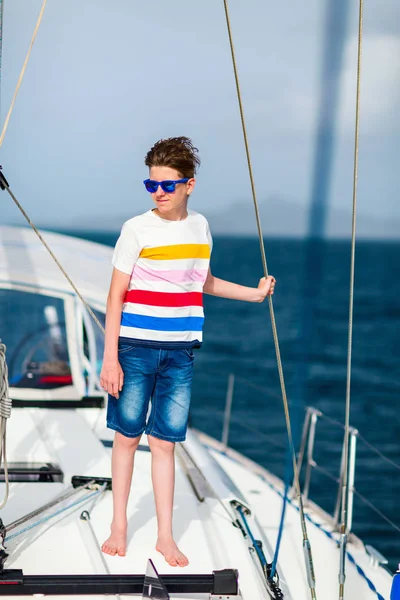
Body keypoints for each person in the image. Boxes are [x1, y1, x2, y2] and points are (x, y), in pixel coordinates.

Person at [100, 136, 276, 566]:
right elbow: (115, 296)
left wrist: (253, 296)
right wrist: (109, 358)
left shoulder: (200, 227)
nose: (158, 192)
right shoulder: (136, 229)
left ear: (189, 185)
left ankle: (164, 536)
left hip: (181, 354)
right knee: (126, 439)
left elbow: (203, 282)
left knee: (165, 444)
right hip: (135, 350)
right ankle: (119, 525)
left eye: (167, 185)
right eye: (151, 185)